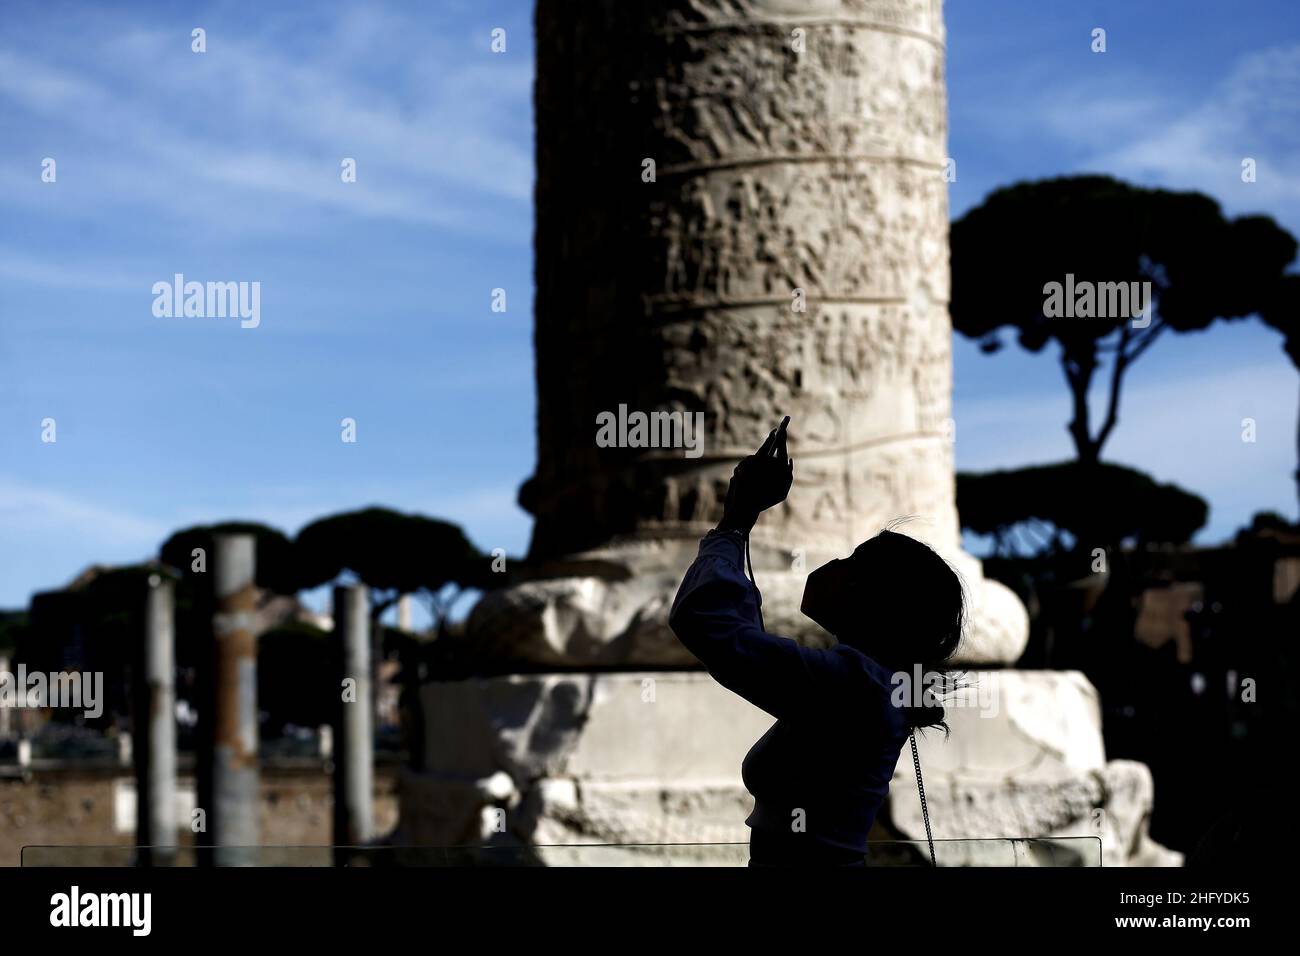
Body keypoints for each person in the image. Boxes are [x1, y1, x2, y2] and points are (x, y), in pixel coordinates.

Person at [668, 417, 963, 866]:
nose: (830, 564)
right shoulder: (865, 682)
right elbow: (741, 640)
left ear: (867, 596)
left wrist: (735, 522)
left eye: (848, 561)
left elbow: (710, 626)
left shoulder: (855, 683)